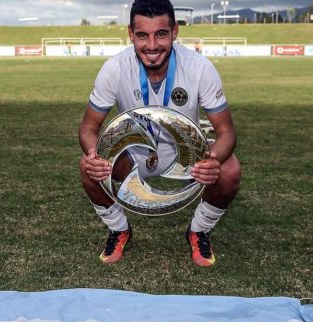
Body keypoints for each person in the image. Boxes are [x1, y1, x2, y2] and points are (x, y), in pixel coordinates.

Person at [79, 0, 240, 267]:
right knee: (87, 166)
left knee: (229, 168)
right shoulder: (115, 68)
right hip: (134, 152)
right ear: (130, 33)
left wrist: (212, 158)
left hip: (186, 154)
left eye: (161, 34)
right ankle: (119, 230)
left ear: (175, 31)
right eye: (142, 35)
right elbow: (88, 128)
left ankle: (198, 231)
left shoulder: (199, 67)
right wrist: (96, 155)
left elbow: (226, 132)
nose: (152, 45)